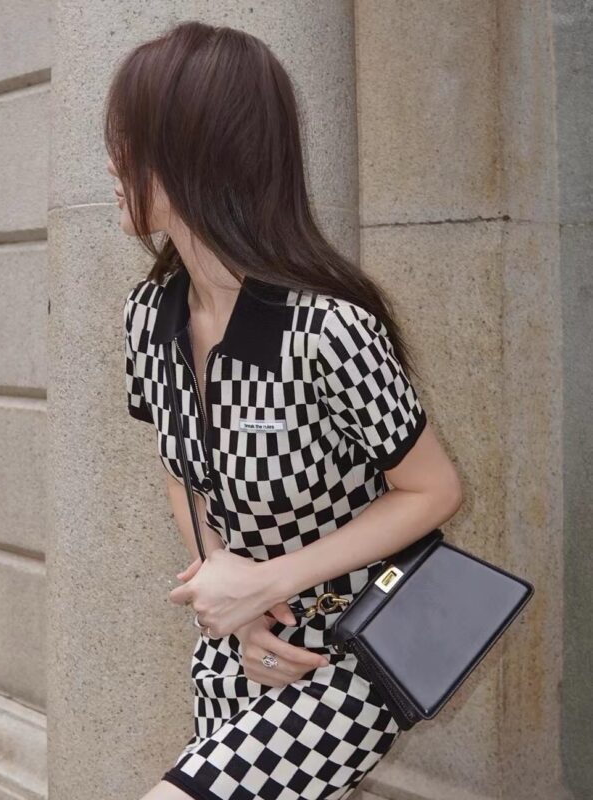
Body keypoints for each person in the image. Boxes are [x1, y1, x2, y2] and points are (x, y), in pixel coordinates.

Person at [105, 20, 463, 800]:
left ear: (193, 152)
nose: (111, 161)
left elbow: (434, 491)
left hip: (352, 649)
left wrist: (264, 585)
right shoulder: (149, 315)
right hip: (237, 639)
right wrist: (230, 598)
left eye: (130, 141)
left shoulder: (328, 329)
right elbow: (179, 469)